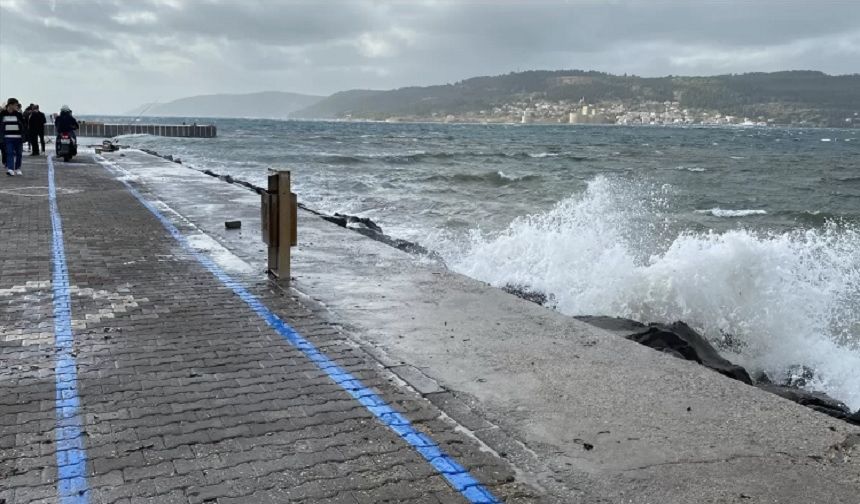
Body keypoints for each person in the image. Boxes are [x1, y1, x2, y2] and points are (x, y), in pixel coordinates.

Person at [1, 98, 26, 176]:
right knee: (9, 153)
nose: (17, 106)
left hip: (18, 138)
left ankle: (18, 168)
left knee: (19, 153)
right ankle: (10, 169)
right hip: (7, 138)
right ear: (10, 105)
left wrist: (24, 136)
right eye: (16, 105)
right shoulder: (2, 114)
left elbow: (24, 125)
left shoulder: (19, 114)